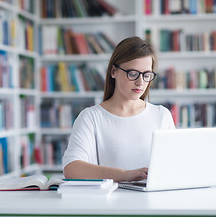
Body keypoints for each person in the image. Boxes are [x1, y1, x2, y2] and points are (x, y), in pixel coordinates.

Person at [62, 36, 175, 182]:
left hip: (153, 202)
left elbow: (172, 167)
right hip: (110, 203)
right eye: (133, 73)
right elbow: (72, 169)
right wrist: (125, 175)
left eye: (147, 75)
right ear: (113, 71)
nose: (140, 82)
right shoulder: (91, 117)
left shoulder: (161, 115)